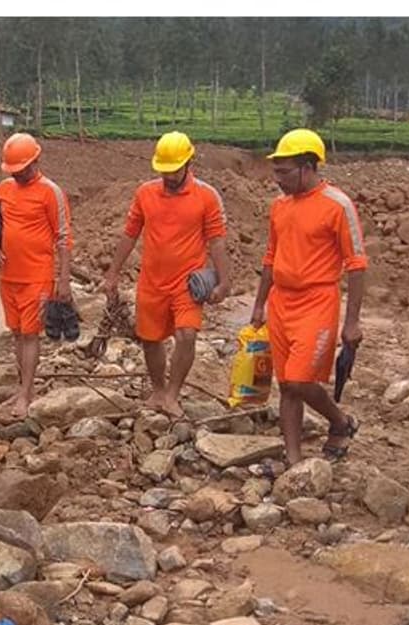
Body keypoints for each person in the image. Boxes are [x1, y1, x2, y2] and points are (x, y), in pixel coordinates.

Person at [250, 128, 368, 465]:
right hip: (281, 302)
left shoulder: (337, 205)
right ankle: (293, 460)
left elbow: (356, 264)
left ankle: (339, 421)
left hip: (317, 301)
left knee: (302, 379)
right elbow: (270, 257)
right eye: (275, 170)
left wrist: (353, 322)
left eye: (283, 172)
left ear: (307, 167)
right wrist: (260, 303)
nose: (277, 179)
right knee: (286, 384)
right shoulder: (279, 206)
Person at [103, 131, 232, 417]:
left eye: (174, 170)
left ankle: (173, 395)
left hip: (187, 283)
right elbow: (130, 234)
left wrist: (225, 282)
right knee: (151, 340)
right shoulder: (145, 193)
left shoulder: (207, 196)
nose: (169, 176)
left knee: (186, 335)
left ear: (189, 162)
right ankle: (158, 390)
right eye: (164, 171)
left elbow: (217, 241)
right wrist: (112, 273)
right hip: (151, 281)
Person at [0, 132, 75, 417]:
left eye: (21, 169)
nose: (17, 175)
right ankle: (22, 386)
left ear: (35, 161)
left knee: (30, 335)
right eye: (13, 171)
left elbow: (63, 237)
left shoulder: (51, 192)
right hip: (8, 276)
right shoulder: (3, 189)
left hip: (37, 277)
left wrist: (63, 280)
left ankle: (25, 394)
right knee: (16, 333)